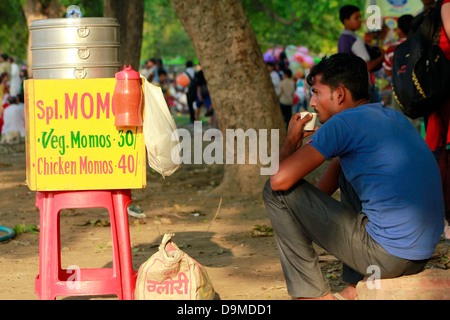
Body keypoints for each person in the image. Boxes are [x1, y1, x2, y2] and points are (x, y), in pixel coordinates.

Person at [262, 53, 444, 300]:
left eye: (317, 92)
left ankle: (313, 295)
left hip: (386, 257)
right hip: (418, 255)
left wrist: (291, 141)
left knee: (272, 192)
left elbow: (279, 182)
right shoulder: (393, 117)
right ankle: (358, 287)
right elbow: (320, 193)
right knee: (346, 170)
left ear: (339, 94)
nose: (313, 102)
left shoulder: (342, 123)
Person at [425, 0, 450, 244]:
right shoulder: (446, 4)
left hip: (441, 91)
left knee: (441, 154)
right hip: (444, 93)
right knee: (442, 156)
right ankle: (443, 219)